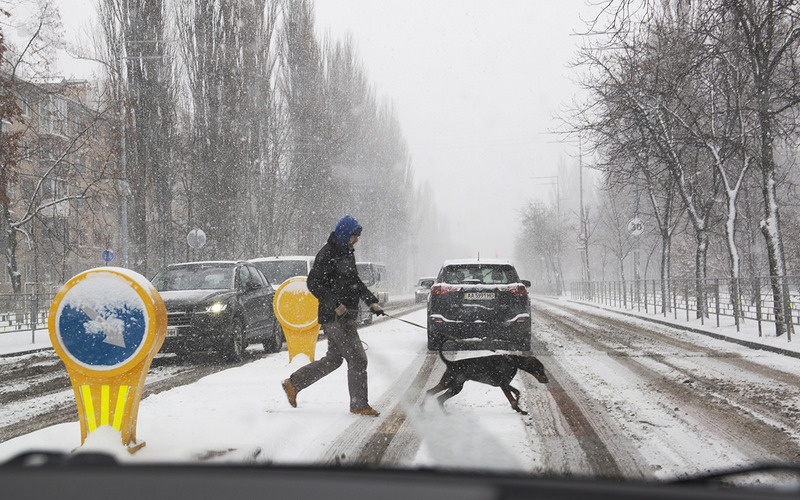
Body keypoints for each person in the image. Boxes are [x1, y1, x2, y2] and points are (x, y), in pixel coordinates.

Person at [282, 215, 385, 416]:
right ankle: (358, 404)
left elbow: (355, 282)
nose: (356, 240)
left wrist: (371, 301)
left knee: (333, 360)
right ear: (344, 234)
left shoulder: (347, 253)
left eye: (357, 236)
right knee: (357, 359)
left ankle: (293, 383)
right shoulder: (327, 254)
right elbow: (313, 283)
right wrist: (335, 304)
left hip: (345, 317)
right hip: (334, 317)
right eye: (353, 236)